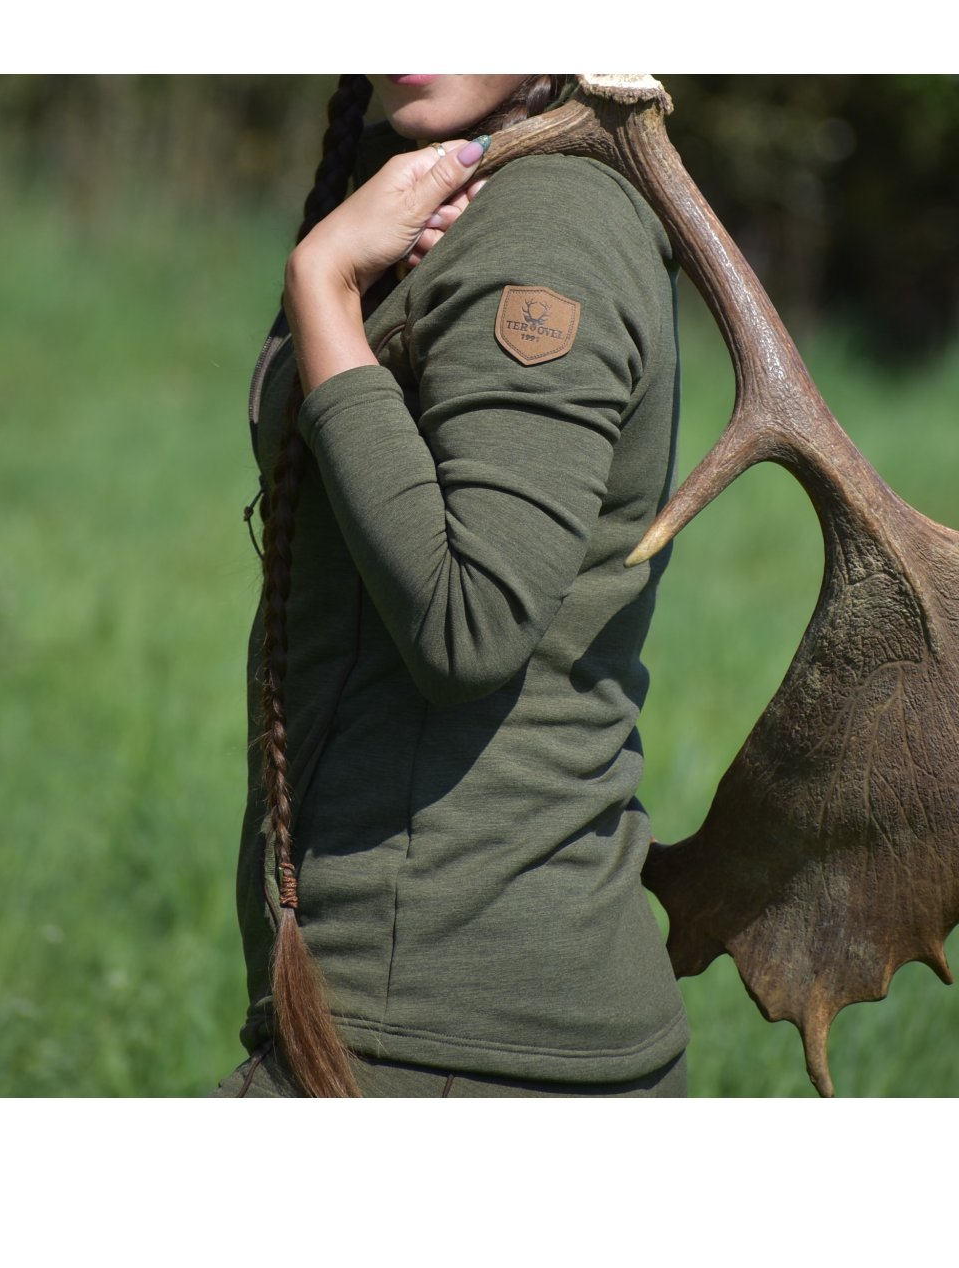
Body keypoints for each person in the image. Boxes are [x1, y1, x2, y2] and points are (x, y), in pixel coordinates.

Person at [210, 75, 689, 1098]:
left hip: (455, 1036)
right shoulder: (447, 190)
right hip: (412, 1007)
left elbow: (468, 622)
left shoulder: (545, 233)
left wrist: (322, 286)